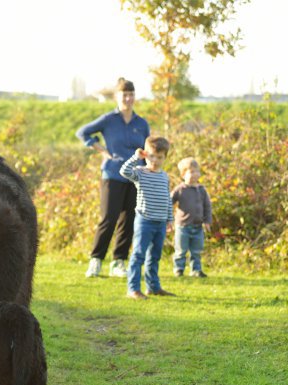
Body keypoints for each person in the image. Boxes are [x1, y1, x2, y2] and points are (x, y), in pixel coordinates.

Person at [77, 78, 150, 278]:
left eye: (131, 94)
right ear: (117, 97)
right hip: (112, 174)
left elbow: (148, 149)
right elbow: (82, 132)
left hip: (135, 177)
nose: (128, 98)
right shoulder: (109, 120)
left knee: (129, 220)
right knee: (108, 218)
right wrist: (100, 149)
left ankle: (119, 262)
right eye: (124, 95)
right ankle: (96, 260)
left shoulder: (141, 123)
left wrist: (149, 169)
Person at [120, 137, 175, 300]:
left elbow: (167, 199)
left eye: (160, 157)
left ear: (165, 158)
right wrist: (136, 157)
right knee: (138, 255)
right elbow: (124, 171)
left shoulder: (165, 176)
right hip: (145, 221)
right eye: (152, 156)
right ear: (146, 155)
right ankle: (133, 289)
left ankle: (153, 287)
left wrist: (170, 219)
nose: (155, 160)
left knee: (155, 255)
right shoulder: (140, 172)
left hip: (160, 223)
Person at [171, 157, 213, 277]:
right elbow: (169, 201)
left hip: (198, 225)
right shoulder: (180, 189)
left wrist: (207, 221)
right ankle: (178, 269)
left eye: (196, 171)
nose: (195, 175)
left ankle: (196, 269)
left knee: (196, 250)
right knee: (181, 249)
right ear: (183, 174)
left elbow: (207, 206)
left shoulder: (202, 190)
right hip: (183, 226)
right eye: (191, 172)